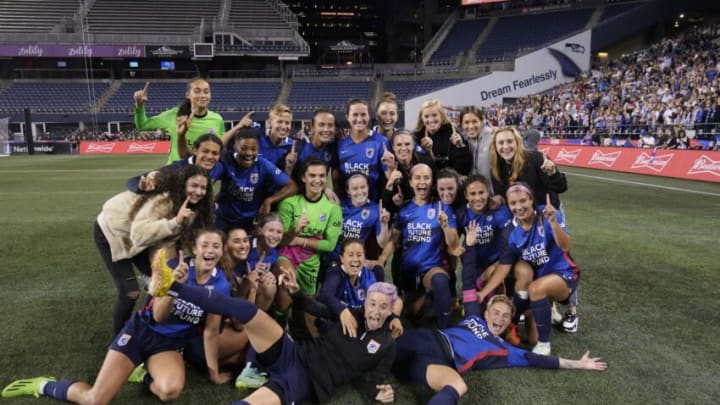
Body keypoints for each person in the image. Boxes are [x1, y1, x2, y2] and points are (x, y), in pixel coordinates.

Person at [1, 231, 233, 404]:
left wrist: (214, 374)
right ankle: (44, 385)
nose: (210, 250)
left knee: (169, 391)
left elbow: (211, 331)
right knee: (95, 400)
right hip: (141, 332)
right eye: (205, 245)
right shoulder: (176, 269)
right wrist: (175, 287)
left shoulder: (221, 285)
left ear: (222, 251)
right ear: (195, 247)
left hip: (168, 345)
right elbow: (158, 316)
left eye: (216, 245)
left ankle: (142, 373)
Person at [149, 250, 398, 404]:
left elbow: (374, 381)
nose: (376, 311)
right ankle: (171, 287)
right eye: (372, 303)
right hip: (293, 352)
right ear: (365, 302)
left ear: (391, 310)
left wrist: (380, 393)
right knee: (248, 310)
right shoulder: (350, 313)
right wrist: (296, 292)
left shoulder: (387, 344)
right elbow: (314, 307)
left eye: (383, 307)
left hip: (308, 380)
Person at [392, 295, 607, 405]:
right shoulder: (474, 317)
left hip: (436, 360)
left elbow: (536, 359)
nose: (500, 318)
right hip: (426, 337)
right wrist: (470, 245)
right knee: (379, 348)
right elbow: (468, 280)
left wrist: (578, 364)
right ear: (486, 314)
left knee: (457, 385)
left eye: (506, 316)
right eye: (496, 312)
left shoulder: (504, 349)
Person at [95, 164, 215, 334]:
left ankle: (146, 325)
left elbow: (165, 239)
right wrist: (176, 222)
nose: (198, 191)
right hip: (111, 231)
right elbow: (138, 235)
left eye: (203, 187)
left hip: (139, 237)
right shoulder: (164, 199)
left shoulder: (193, 207)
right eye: (194, 186)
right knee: (130, 293)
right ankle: (119, 343)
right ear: (183, 185)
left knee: (160, 282)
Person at [483, 183, 579, 355]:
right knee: (531, 337)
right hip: (536, 281)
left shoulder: (547, 214)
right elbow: (504, 266)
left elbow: (566, 246)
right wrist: (483, 292)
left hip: (563, 275)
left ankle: (544, 345)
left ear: (531, 200)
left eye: (523, 201)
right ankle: (532, 313)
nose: (519, 207)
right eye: (513, 203)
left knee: (536, 288)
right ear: (508, 205)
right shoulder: (509, 231)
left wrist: (554, 223)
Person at [275, 158, 343, 332]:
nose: (317, 180)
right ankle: (278, 332)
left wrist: (300, 240)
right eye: (312, 175)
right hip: (286, 255)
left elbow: (329, 245)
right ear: (303, 178)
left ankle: (298, 335)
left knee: (307, 317)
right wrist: (296, 229)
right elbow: (280, 240)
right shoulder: (289, 204)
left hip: (311, 262)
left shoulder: (332, 209)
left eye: (321, 176)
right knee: (286, 290)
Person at [393, 163, 460, 328]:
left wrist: (445, 227)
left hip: (432, 268)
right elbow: (394, 243)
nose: (422, 182)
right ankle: (423, 303)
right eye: (418, 178)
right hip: (409, 271)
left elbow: (454, 244)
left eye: (426, 178)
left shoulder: (442, 208)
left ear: (432, 182)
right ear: (410, 182)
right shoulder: (404, 211)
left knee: (440, 281)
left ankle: (446, 332)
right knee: (412, 314)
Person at [214, 129, 298, 232]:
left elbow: (292, 186)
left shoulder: (262, 164)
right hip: (224, 220)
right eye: (244, 148)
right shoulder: (227, 161)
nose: (249, 153)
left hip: (249, 222)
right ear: (235, 147)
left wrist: (269, 200)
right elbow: (208, 179)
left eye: (253, 149)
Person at [318, 238, 403, 337]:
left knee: (397, 302)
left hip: (361, 319)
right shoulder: (335, 273)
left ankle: (382, 340)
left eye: (359, 255)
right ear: (342, 258)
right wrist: (342, 310)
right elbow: (324, 294)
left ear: (364, 258)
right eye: (350, 255)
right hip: (339, 320)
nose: (355, 259)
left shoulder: (369, 276)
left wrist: (394, 318)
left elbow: (381, 300)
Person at [133, 79, 225, 164]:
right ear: (188, 95)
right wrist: (139, 106)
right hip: (175, 174)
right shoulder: (174, 115)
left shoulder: (217, 119)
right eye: (197, 91)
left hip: (200, 177)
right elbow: (143, 125)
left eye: (206, 92)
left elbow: (221, 146)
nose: (203, 95)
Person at [458, 175, 512, 317]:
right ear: (466, 195)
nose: (478, 198)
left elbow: (509, 243)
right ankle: (477, 287)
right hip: (473, 264)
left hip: (497, 264)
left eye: (481, 192)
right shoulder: (461, 214)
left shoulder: (501, 212)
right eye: (473, 194)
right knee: (473, 312)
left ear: (488, 191)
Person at [335, 98, 394, 202]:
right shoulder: (341, 145)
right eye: (355, 115)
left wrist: (391, 168)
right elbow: (336, 180)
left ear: (369, 116)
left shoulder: (381, 142)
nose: (359, 119)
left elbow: (389, 177)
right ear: (348, 117)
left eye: (363, 114)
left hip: (373, 207)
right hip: (347, 209)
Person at [126, 133, 224, 193]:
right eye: (205, 151)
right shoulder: (178, 168)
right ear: (195, 151)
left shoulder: (218, 168)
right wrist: (142, 186)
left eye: (215, 153)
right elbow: (134, 181)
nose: (210, 157)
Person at [330, 173, 391, 264]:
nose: (360, 191)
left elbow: (382, 243)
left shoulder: (375, 209)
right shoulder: (339, 204)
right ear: (348, 191)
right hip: (333, 258)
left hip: (354, 260)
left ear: (368, 188)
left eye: (363, 187)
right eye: (355, 188)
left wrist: (384, 224)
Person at [412, 99, 472, 175]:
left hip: (450, 181)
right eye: (426, 116)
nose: (430, 120)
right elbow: (415, 168)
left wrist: (461, 147)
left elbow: (464, 170)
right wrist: (426, 152)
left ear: (442, 116)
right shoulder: (416, 137)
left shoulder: (453, 133)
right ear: (422, 118)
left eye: (434, 115)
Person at [460, 106, 493, 184]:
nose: (471, 126)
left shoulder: (493, 137)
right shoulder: (461, 140)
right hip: (471, 192)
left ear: (482, 122)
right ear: (461, 124)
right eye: (466, 122)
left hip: (494, 194)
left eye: (475, 121)